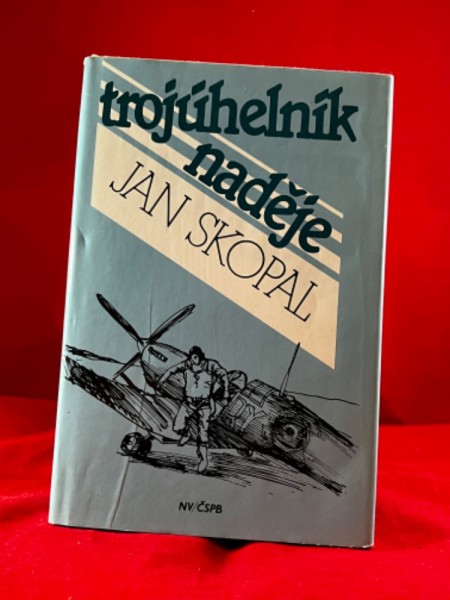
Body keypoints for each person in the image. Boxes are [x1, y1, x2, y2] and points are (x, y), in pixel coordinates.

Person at [158, 346, 229, 473]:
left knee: (203, 434)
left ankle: (203, 459)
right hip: (189, 403)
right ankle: (186, 434)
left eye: (195, 357)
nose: (193, 360)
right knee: (177, 426)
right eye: (191, 357)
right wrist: (162, 379)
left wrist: (226, 392)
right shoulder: (187, 365)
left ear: (200, 356)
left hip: (204, 404)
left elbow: (223, 374)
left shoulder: (210, 365)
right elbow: (172, 370)